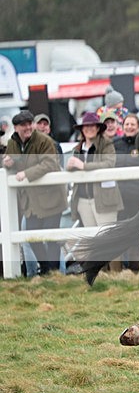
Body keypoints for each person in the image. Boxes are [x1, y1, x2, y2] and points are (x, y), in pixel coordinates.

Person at [2, 111, 68, 276]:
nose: (28, 127)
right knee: (31, 237)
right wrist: (8, 163)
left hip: (51, 197)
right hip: (31, 201)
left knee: (51, 237)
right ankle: (46, 269)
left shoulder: (44, 141)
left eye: (29, 123)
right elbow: (12, 162)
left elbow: (50, 164)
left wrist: (27, 173)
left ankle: (54, 274)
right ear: (16, 128)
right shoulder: (12, 143)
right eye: (23, 125)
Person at [66, 111, 123, 231]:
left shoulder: (107, 144)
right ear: (82, 129)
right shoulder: (77, 149)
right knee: (91, 237)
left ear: (98, 128)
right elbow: (72, 168)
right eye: (86, 126)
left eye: (92, 126)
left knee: (106, 236)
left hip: (104, 199)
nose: (89, 129)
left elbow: (109, 164)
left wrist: (84, 166)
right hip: (83, 200)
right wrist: (70, 167)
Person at [113, 113, 139, 272]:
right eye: (127, 124)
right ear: (123, 127)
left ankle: (134, 270)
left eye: (133, 124)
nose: (129, 127)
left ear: (138, 127)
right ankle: (118, 269)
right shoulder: (115, 144)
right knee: (118, 232)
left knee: (135, 233)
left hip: (136, 197)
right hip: (118, 197)